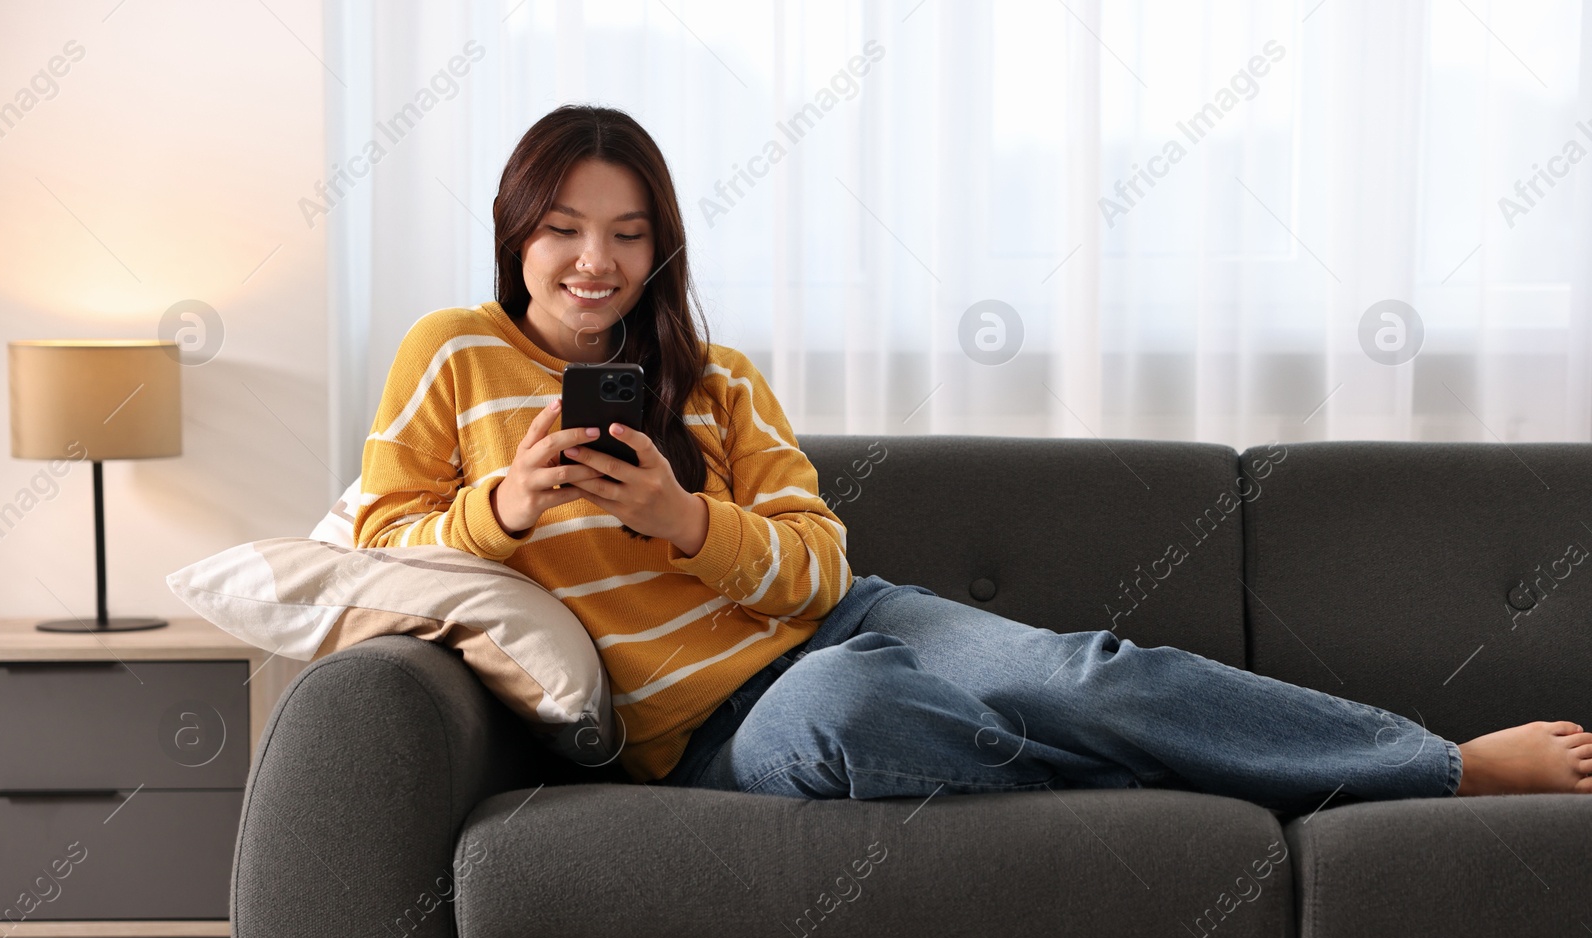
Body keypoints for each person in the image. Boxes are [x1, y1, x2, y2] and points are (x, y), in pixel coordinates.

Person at [355, 104, 1592, 815]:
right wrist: (503, 505)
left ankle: (1441, 765)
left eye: (627, 234)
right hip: (720, 730)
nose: (594, 262)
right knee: (851, 708)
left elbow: (813, 566)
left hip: (840, 618)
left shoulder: (715, 375)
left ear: (659, 248)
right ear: (518, 232)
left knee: (1088, 671)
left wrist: (687, 521)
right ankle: (1217, 782)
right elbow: (375, 551)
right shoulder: (448, 354)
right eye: (564, 229)